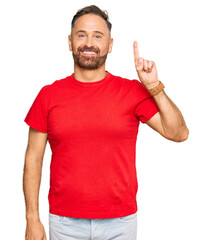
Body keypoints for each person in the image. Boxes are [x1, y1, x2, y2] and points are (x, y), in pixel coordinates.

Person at [23, 4, 189, 240]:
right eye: (82, 35)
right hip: (64, 222)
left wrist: (154, 86)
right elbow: (33, 159)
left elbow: (178, 133)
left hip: (120, 223)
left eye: (98, 36)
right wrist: (32, 218)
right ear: (70, 42)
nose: (89, 43)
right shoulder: (48, 95)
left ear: (110, 45)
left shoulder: (132, 91)